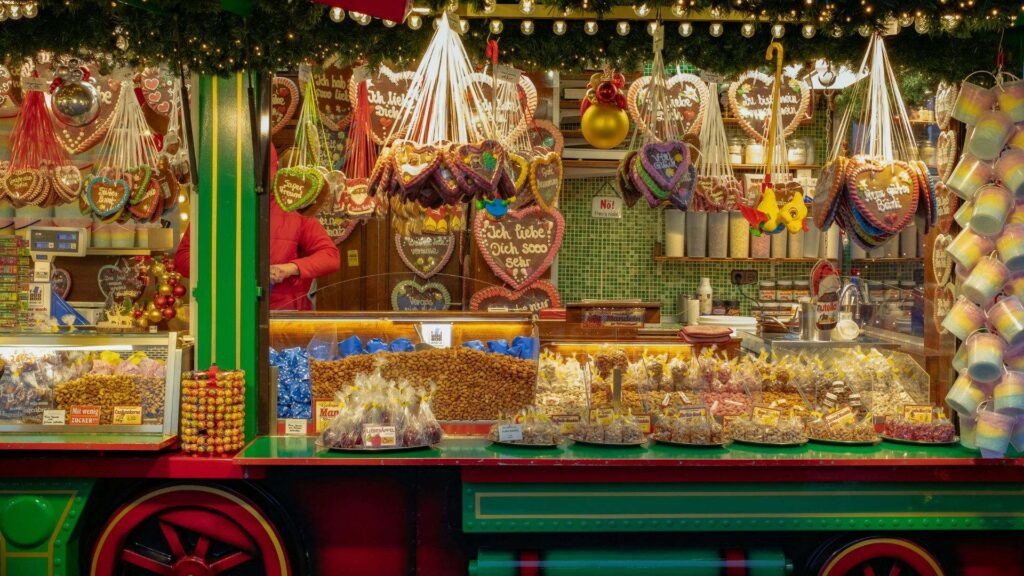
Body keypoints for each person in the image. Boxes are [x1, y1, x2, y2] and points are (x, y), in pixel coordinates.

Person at [174, 147, 341, 310]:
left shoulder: (293, 205)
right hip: (228, 309)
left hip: (281, 313)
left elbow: (330, 256)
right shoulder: (216, 206)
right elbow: (182, 259)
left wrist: (290, 268)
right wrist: (227, 270)